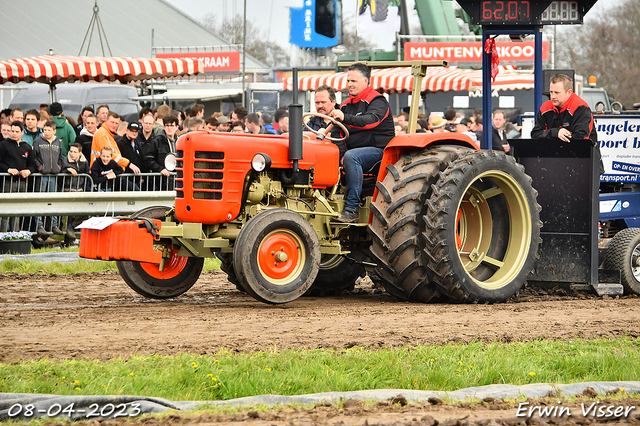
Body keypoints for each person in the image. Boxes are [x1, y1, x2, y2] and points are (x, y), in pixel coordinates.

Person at [329, 63, 395, 223]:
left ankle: (352, 209)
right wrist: (341, 155)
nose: (349, 84)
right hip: (353, 153)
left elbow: (369, 122)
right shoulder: (345, 105)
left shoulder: (378, 101)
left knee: (353, 157)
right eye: (348, 81)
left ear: (365, 81)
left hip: (380, 152)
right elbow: (336, 132)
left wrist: (345, 118)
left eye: (353, 81)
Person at [0, 121, 38, 231]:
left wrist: (28, 171)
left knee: (17, 211)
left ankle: (15, 235)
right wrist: (8, 169)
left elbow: (32, 163)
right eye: (12, 131)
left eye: (17, 131)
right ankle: (2, 235)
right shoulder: (3, 145)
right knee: (6, 211)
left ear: (22, 132)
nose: (14, 134)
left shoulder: (26, 146)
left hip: (22, 182)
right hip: (7, 181)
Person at [32, 120, 64, 237]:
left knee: (52, 200)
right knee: (40, 199)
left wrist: (58, 167)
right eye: (45, 129)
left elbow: (61, 157)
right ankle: (39, 225)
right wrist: (40, 167)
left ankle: (54, 225)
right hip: (42, 175)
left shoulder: (58, 142)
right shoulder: (38, 142)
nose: (46, 132)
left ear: (54, 131)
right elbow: (33, 157)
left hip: (54, 175)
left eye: (49, 130)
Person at [91, 112, 141, 176]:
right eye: (112, 122)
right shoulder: (103, 135)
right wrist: (129, 164)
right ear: (106, 121)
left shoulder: (109, 134)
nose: (114, 125)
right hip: (102, 172)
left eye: (116, 123)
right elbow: (111, 155)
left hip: (107, 172)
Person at [61, 142, 90, 239]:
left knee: (84, 211)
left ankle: (72, 227)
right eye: (71, 151)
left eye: (75, 152)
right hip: (68, 189)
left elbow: (87, 174)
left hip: (80, 190)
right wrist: (67, 169)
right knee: (70, 214)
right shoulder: (65, 160)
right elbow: (61, 170)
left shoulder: (84, 162)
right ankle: (68, 240)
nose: (72, 154)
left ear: (80, 153)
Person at [142, 114, 179, 190]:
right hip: (161, 182)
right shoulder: (157, 140)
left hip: (177, 180)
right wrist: (160, 169)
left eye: (172, 126)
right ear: (164, 126)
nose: (169, 128)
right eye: (166, 125)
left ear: (177, 127)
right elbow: (148, 159)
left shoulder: (180, 141)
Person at [307, 85, 343, 152]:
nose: (320, 106)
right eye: (317, 103)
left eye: (323, 102)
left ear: (333, 102)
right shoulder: (311, 123)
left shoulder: (343, 119)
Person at [117, 122, 144, 189]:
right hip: (124, 179)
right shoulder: (120, 144)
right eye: (132, 131)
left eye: (136, 131)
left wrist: (142, 176)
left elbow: (141, 160)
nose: (134, 133)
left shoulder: (137, 143)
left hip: (137, 179)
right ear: (126, 130)